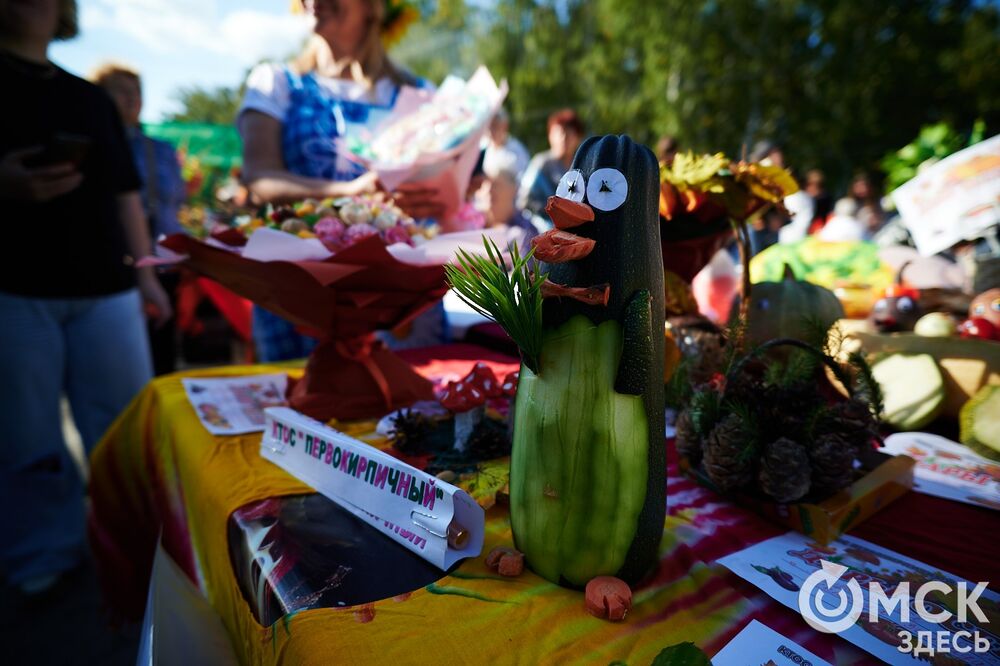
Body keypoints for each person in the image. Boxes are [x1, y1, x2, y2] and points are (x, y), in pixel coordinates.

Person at [0, 0, 170, 595]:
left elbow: (126, 194)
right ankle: (42, 554)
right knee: (26, 436)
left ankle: (142, 546)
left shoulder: (89, 98)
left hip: (107, 289)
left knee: (125, 428)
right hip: (15, 291)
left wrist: (146, 275)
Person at [238, 0, 445, 360]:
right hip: (299, 294)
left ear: (373, 7)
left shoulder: (420, 92)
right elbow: (258, 179)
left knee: (406, 412)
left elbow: (444, 191)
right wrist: (348, 194)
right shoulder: (276, 82)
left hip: (394, 298)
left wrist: (433, 198)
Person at [93, 62, 186, 375]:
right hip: (116, 265)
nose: (131, 98)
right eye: (120, 90)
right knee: (118, 362)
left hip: (162, 259)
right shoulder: (95, 146)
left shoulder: (159, 149)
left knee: (161, 351)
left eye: (136, 91)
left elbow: (176, 199)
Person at [518, 108, 584, 220]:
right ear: (550, 136)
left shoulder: (582, 166)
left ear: (578, 137)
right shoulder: (541, 164)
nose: (563, 139)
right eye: (559, 133)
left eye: (568, 134)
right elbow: (524, 200)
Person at [478, 155, 539, 257]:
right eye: (485, 184)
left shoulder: (526, 233)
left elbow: (525, 271)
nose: (488, 190)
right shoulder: (471, 225)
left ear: (514, 190)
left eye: (495, 185)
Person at [482, 107, 529, 181]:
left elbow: (523, 182)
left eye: (494, 126)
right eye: (488, 126)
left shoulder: (517, 151)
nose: (490, 131)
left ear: (505, 126)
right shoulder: (481, 148)